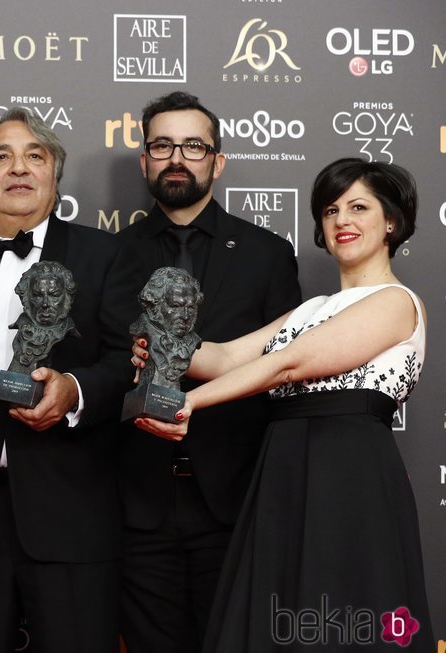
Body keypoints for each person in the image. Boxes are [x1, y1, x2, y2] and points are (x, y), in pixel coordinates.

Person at [133, 157, 432, 651]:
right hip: (284, 472)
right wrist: (162, 343)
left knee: (345, 613)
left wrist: (186, 404)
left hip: (348, 474)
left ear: (391, 223)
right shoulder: (311, 310)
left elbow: (290, 364)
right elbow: (228, 356)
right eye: (331, 210)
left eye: (359, 207)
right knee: (280, 620)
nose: (342, 221)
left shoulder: (397, 301)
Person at [0, 107, 128, 653]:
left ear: (54, 175)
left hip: (72, 511)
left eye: (34, 156)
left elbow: (126, 361)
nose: (18, 168)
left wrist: (74, 391)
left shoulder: (106, 254)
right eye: (1, 157)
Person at [114, 91, 302, 653]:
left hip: (235, 501)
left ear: (217, 161)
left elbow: (283, 373)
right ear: (145, 161)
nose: (177, 157)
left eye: (193, 145)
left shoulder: (267, 254)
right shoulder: (111, 254)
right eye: (162, 145)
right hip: (137, 505)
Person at [129, 267, 203, 389]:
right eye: (175, 306)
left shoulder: (192, 340)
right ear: (155, 305)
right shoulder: (145, 326)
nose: (185, 316)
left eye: (190, 307)